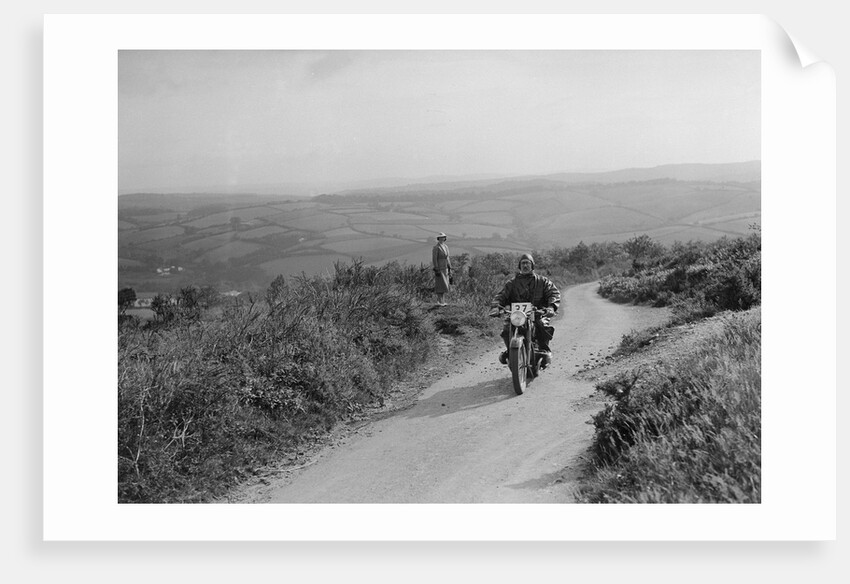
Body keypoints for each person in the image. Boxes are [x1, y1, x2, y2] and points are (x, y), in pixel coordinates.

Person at [489, 253, 561, 368]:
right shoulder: (511, 283)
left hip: (537, 313)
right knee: (507, 327)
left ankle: (544, 349)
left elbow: (553, 293)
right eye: (523, 263)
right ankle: (510, 351)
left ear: (532, 265)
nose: (525, 265)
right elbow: (501, 296)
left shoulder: (542, 281)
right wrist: (496, 307)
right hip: (517, 315)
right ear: (519, 266)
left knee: (542, 324)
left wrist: (551, 307)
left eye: (528, 263)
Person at [431, 232, 452, 305]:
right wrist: (436, 268)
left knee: (445, 285)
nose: (442, 238)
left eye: (443, 237)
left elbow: (448, 257)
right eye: (440, 237)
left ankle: (443, 301)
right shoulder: (436, 248)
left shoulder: (446, 247)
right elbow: (434, 258)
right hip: (439, 268)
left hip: (445, 268)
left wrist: (450, 267)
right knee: (440, 285)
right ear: (438, 238)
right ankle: (440, 301)